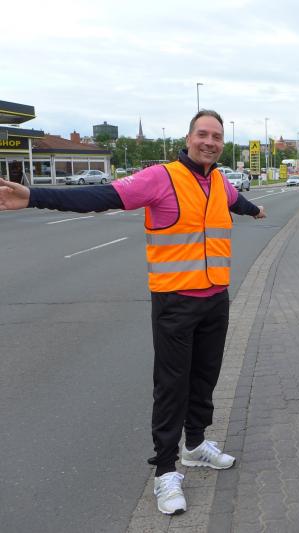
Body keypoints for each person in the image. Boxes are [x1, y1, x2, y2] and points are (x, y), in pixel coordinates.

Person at [0, 109, 266, 515]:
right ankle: (165, 471)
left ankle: (195, 445)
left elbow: (237, 201)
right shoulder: (161, 178)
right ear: (188, 138)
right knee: (172, 386)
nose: (209, 142)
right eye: (202, 134)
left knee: (205, 377)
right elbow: (101, 196)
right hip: (175, 302)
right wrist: (35, 196)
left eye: (216, 136)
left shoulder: (219, 182)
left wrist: (255, 210)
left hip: (216, 299)